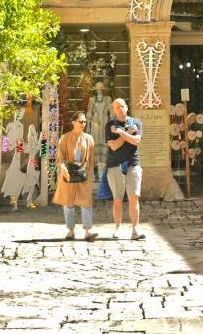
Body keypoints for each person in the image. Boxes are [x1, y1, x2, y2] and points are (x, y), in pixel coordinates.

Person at [52, 113, 98, 241]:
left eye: (84, 122)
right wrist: (63, 168)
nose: (83, 124)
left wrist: (90, 175)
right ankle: (70, 230)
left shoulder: (89, 139)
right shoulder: (65, 138)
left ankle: (88, 231)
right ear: (73, 122)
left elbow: (91, 159)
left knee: (86, 201)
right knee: (68, 202)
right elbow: (60, 157)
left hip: (83, 172)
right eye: (80, 121)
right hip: (69, 172)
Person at [106, 98, 145, 240]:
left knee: (134, 197)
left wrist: (120, 133)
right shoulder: (110, 125)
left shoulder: (137, 122)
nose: (120, 109)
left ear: (127, 107)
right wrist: (127, 133)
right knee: (117, 199)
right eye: (117, 107)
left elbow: (136, 141)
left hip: (133, 164)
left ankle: (135, 229)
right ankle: (117, 228)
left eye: (122, 106)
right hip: (115, 165)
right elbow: (114, 146)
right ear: (114, 110)